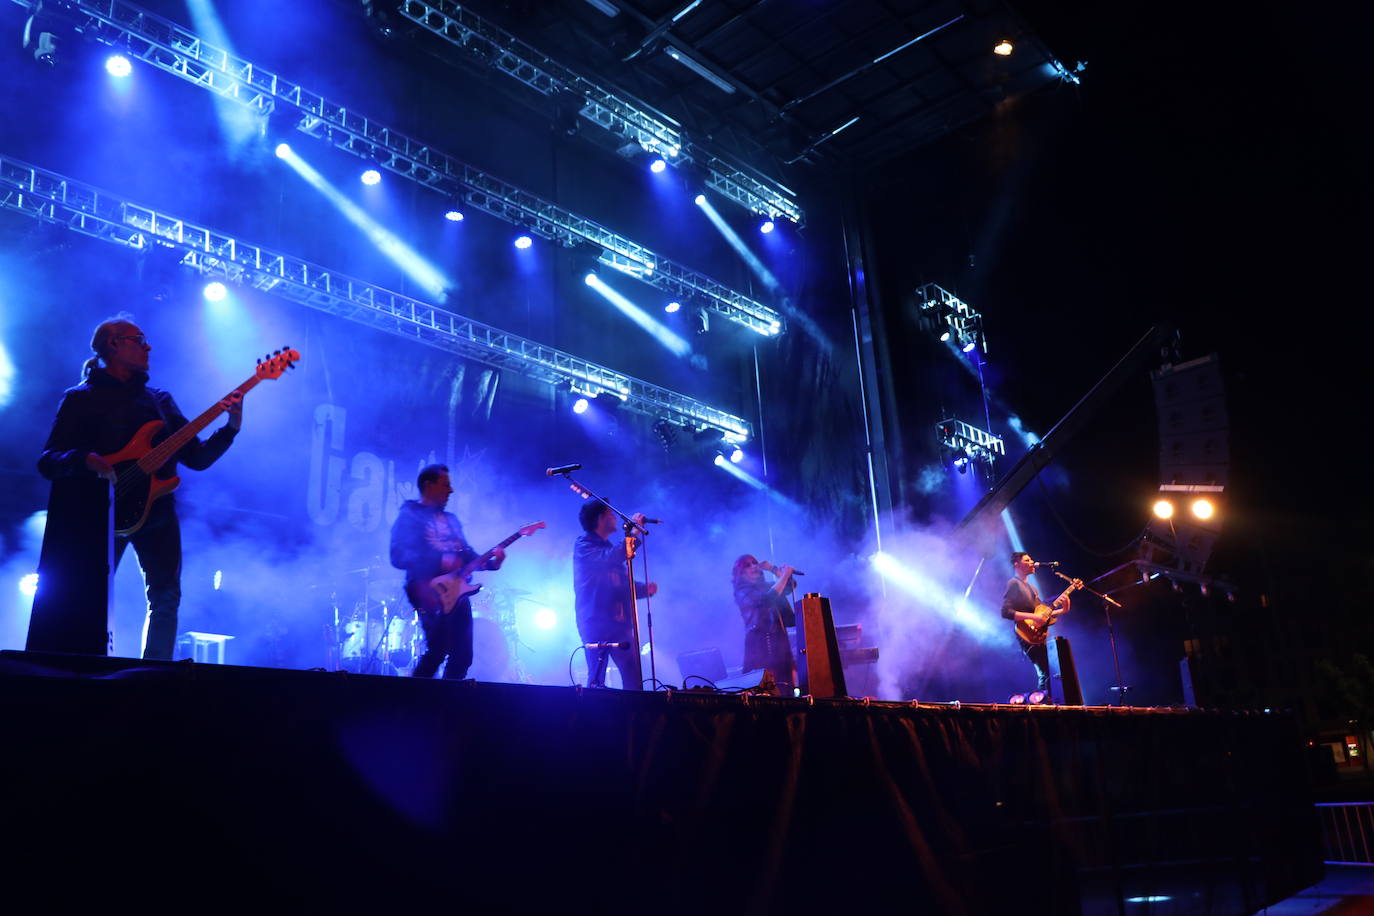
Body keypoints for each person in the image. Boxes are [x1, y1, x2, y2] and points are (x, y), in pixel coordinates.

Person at [33, 315, 243, 659]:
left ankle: (154, 671)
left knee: (165, 595)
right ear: (113, 344)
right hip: (102, 510)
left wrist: (231, 427)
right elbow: (48, 459)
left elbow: (197, 458)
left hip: (156, 509)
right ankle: (87, 664)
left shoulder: (159, 400)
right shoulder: (80, 398)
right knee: (92, 593)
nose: (148, 346)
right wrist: (86, 459)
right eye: (139, 339)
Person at [390, 464, 503, 680]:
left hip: (457, 590)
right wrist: (440, 560)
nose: (450, 491)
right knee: (438, 649)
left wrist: (491, 564)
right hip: (427, 589)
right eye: (445, 485)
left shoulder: (451, 520)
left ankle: (447, 704)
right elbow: (397, 556)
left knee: (463, 656)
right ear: (428, 486)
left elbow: (467, 555)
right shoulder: (409, 517)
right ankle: (411, 702)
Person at [572, 499, 657, 689]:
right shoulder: (584, 545)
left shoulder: (608, 547)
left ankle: (635, 715)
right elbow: (609, 559)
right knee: (596, 681)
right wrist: (634, 532)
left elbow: (620, 586)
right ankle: (597, 716)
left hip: (619, 623)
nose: (615, 518)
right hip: (596, 622)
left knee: (634, 677)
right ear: (601, 518)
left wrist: (644, 589)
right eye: (611, 515)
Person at [1000, 551, 1070, 696]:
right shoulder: (1013, 583)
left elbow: (1043, 616)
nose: (1032, 562)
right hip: (1025, 634)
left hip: (1038, 635)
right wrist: (1033, 617)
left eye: (1032, 559)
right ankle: (1042, 704)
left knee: (1050, 672)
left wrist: (1064, 610)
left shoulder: (1033, 589)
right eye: (1028, 560)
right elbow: (1006, 612)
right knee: (1045, 672)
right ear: (1017, 564)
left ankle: (1047, 701)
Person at [732, 555, 796, 690]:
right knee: (764, 686)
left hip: (779, 639)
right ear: (741, 572)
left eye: (755, 563)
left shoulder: (765, 586)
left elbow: (789, 586)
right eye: (748, 565)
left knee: (785, 684)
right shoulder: (742, 591)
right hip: (760, 641)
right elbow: (767, 600)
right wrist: (785, 574)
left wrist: (773, 569)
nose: (753, 566)